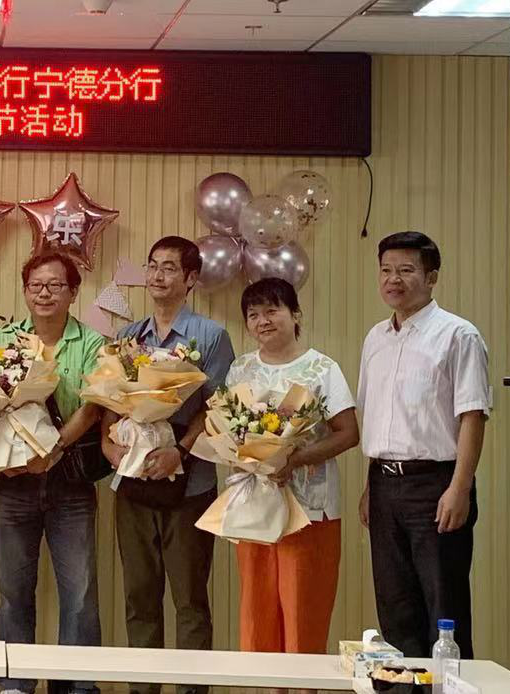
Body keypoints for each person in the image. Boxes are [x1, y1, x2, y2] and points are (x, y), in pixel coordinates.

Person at [103, 235, 233, 694]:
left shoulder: (210, 336)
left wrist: (179, 449)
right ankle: (144, 688)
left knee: (190, 598)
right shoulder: (128, 337)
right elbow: (109, 401)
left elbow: (218, 405)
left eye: (169, 268)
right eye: (152, 266)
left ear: (191, 278)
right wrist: (110, 448)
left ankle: (191, 689)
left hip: (190, 484)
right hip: (133, 479)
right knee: (139, 595)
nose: (157, 276)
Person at [359, 231, 490, 659]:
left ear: (431, 277)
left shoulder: (458, 335)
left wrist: (460, 488)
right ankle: (404, 688)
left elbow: (473, 415)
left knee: (443, 609)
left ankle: (448, 686)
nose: (393, 279)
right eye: (385, 270)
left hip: (436, 485)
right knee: (395, 609)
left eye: (406, 270)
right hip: (384, 485)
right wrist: (370, 486)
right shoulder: (376, 338)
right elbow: (380, 418)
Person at [227, 277, 359, 674]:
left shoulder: (322, 368)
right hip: (254, 506)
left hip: (310, 509)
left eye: (272, 311)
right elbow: (228, 430)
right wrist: (249, 458)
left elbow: (348, 433)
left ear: (296, 315)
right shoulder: (241, 368)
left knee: (304, 612)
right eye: (253, 315)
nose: (263, 321)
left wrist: (293, 459)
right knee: (257, 612)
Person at [0, 251, 107, 694]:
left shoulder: (91, 343)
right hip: (14, 478)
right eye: (36, 285)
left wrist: (53, 448)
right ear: (25, 291)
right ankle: (15, 682)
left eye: (55, 285)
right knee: (13, 589)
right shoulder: (5, 338)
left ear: (73, 293)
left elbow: (93, 406)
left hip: (69, 480)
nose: (44, 293)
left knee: (79, 591)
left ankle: (75, 685)